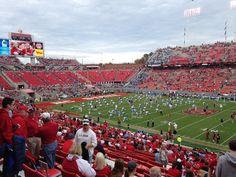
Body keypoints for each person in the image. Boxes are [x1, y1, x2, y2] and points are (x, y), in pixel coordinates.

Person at [12, 104, 28, 176]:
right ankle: (18, 171)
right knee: (19, 157)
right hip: (19, 141)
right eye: (25, 111)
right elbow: (20, 133)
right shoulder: (19, 119)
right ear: (21, 111)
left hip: (16, 141)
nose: (26, 113)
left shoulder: (15, 117)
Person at [0, 97, 14, 177]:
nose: (14, 106)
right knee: (9, 161)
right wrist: (10, 142)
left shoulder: (2, 114)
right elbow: (6, 133)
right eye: (12, 104)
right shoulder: (4, 116)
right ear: (8, 105)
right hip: (3, 143)